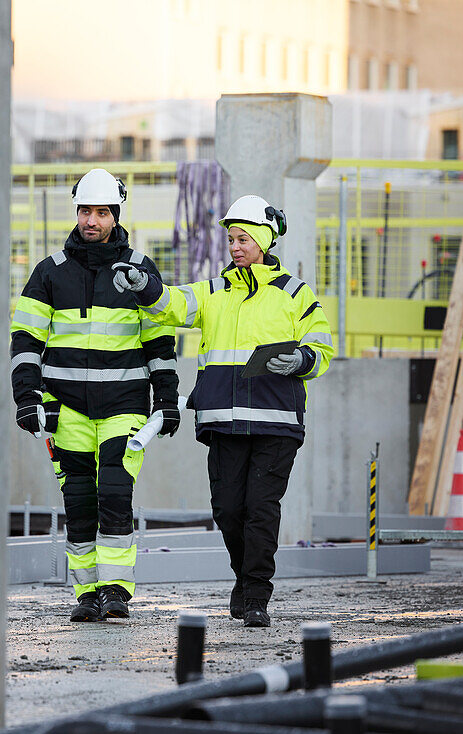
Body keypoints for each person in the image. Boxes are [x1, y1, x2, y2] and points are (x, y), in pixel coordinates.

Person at [111, 194, 333, 628]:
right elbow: (170, 304)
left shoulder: (294, 293)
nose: (234, 246)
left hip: (276, 425)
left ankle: (256, 596)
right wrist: (143, 285)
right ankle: (244, 580)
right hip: (223, 423)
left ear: (265, 240)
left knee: (261, 510)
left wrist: (303, 359)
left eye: (243, 238)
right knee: (229, 511)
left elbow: (322, 345)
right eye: (231, 239)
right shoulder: (214, 292)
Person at [10, 168, 180, 622]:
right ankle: (87, 592)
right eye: (85, 211)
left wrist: (166, 400)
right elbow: (25, 339)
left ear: (115, 215)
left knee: (115, 494)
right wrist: (27, 398)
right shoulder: (49, 273)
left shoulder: (140, 272)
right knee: (79, 503)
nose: (91, 220)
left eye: (101, 212)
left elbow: (160, 344)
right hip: (67, 412)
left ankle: (117, 591)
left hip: (125, 408)